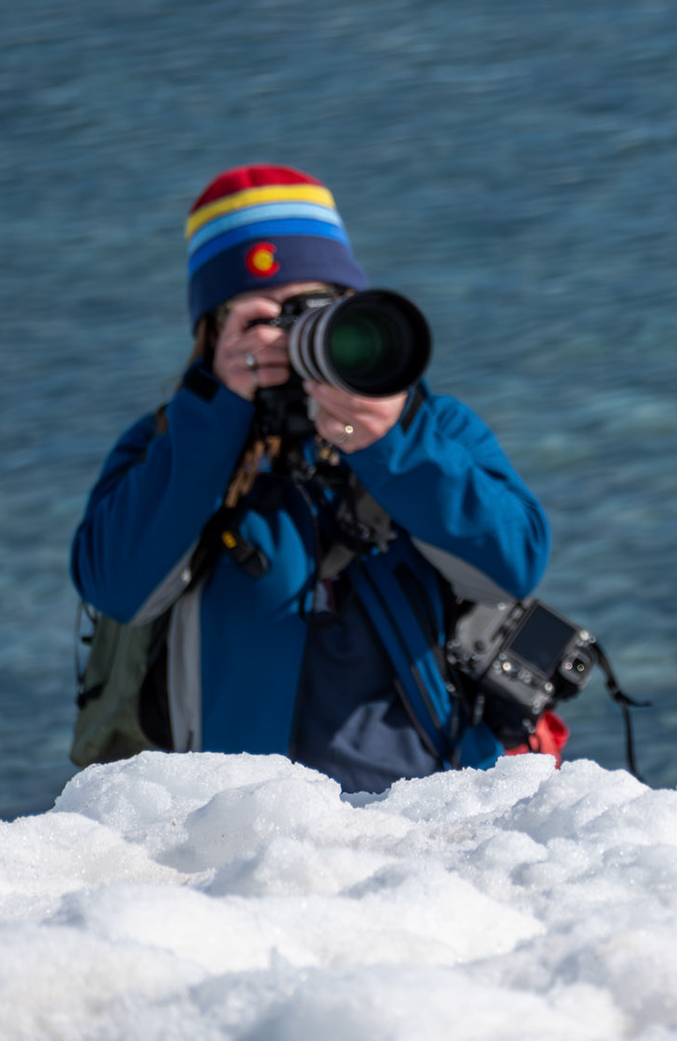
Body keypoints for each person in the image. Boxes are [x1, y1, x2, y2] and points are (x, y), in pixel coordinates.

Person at [71, 164, 553, 792]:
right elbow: (117, 586)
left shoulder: (428, 425)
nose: (297, 336)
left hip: (428, 810)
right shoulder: (171, 440)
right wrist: (217, 417)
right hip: (244, 822)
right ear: (217, 330)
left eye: (317, 309)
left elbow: (511, 565)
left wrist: (389, 442)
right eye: (268, 316)